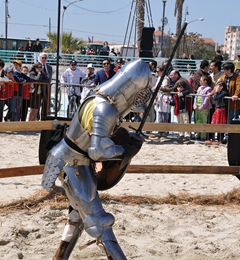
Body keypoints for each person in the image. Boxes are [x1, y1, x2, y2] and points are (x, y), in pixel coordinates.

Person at [42, 59, 152, 260]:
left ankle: (59, 257)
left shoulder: (101, 94)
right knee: (98, 221)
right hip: (73, 163)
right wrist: (126, 150)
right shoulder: (105, 108)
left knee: (78, 215)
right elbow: (98, 151)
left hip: (74, 159)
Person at [217, 62, 240, 143]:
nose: (223, 71)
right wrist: (211, 93)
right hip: (224, 103)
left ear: (229, 70)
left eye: (224, 69)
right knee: (224, 119)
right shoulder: (223, 77)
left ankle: (228, 137)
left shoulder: (237, 77)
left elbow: (238, 87)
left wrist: (236, 95)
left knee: (230, 120)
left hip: (233, 103)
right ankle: (224, 136)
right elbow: (218, 86)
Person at [193, 75, 212, 140]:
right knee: (198, 120)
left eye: (201, 80)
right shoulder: (199, 88)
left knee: (204, 121)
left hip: (204, 108)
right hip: (197, 107)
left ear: (205, 81)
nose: (199, 81)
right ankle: (197, 133)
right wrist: (195, 104)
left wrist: (202, 106)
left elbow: (207, 99)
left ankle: (203, 135)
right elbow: (196, 96)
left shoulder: (208, 88)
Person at [39, 52, 53, 118]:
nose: (44, 59)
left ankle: (43, 117)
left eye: (45, 58)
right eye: (42, 58)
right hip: (39, 88)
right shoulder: (37, 66)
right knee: (37, 104)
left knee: (46, 103)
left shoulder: (49, 67)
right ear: (40, 58)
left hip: (47, 88)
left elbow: (49, 78)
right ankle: (37, 117)